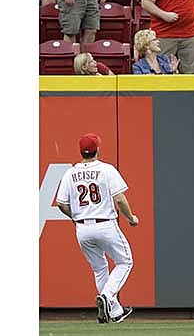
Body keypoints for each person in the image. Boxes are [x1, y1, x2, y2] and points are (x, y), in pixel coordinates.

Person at [56, 133, 139, 324]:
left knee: (100, 269)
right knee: (125, 262)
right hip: (105, 224)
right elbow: (119, 198)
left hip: (83, 228)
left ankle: (116, 312)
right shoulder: (106, 169)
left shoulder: (70, 173)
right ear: (98, 149)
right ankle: (108, 297)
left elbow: (61, 204)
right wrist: (131, 218)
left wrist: (76, 217)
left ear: (80, 151)